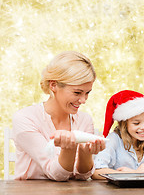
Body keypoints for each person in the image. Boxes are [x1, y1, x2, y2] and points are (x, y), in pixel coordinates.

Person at [12, 51, 106, 181]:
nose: (83, 100)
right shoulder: (25, 118)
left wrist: (86, 152)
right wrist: (69, 149)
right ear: (53, 85)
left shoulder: (85, 120)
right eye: (77, 92)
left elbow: (82, 176)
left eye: (87, 93)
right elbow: (56, 174)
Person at [92, 90, 144, 179]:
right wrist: (134, 173)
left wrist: (142, 173)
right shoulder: (114, 139)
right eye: (136, 123)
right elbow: (96, 172)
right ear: (124, 124)